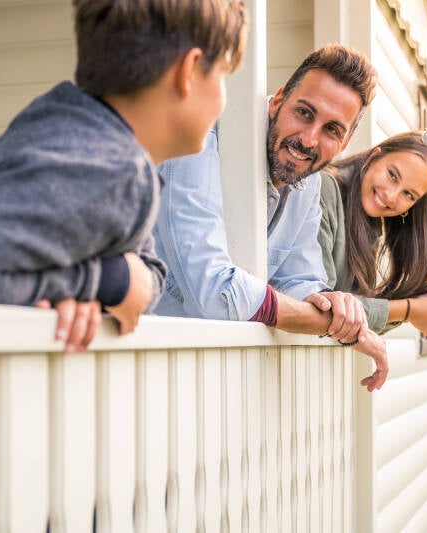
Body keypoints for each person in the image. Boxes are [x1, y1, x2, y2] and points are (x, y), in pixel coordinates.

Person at [0, 0, 249, 353]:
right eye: (224, 75)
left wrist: (107, 282)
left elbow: (146, 275)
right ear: (190, 72)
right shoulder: (114, 169)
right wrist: (98, 280)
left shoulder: (76, 127)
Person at [153, 44, 388, 391]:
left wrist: (337, 307)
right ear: (278, 100)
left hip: (212, 380)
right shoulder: (199, 136)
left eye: (332, 130)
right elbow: (215, 293)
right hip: (132, 362)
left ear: (346, 141)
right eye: (305, 113)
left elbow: (302, 280)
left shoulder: (308, 183)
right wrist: (324, 322)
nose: (308, 139)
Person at [318, 130, 427, 347]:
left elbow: (352, 316)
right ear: (374, 157)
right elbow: (320, 309)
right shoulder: (323, 188)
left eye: (409, 195)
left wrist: (424, 311)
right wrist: (411, 310)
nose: (391, 196)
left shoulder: (368, 224)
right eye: (392, 175)